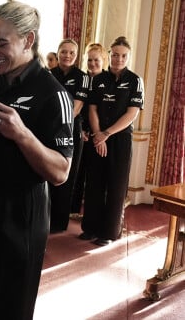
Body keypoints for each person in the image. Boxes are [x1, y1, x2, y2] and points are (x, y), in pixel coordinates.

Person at [0, 1, 74, 319]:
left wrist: (23, 134)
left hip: (21, 220)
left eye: (1, 43)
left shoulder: (53, 93)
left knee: (11, 310)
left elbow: (60, 171)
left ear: (28, 40)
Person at [79, 36, 144, 246]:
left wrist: (106, 133)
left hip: (119, 139)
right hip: (99, 137)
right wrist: (98, 135)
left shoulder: (135, 80)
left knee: (115, 186)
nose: (118, 59)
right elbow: (92, 109)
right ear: (109, 55)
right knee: (95, 183)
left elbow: (132, 113)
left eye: (123, 55)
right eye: (115, 54)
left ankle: (109, 233)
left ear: (128, 56)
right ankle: (90, 228)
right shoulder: (98, 80)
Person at [48, 39, 89, 232]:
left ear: (76, 55)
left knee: (67, 176)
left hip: (71, 129)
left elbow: (77, 107)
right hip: (49, 129)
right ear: (58, 53)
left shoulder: (83, 77)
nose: (67, 55)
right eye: (64, 51)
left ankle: (59, 223)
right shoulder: (49, 74)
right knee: (48, 173)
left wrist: (58, 124)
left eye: (72, 53)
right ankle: (45, 218)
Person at [70, 42, 108, 218]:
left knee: (97, 177)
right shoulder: (82, 78)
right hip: (82, 133)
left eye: (96, 60)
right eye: (89, 60)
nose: (93, 63)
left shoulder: (108, 80)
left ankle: (94, 214)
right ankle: (74, 210)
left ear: (104, 60)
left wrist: (97, 134)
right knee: (78, 173)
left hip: (102, 135)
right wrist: (83, 131)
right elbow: (80, 109)